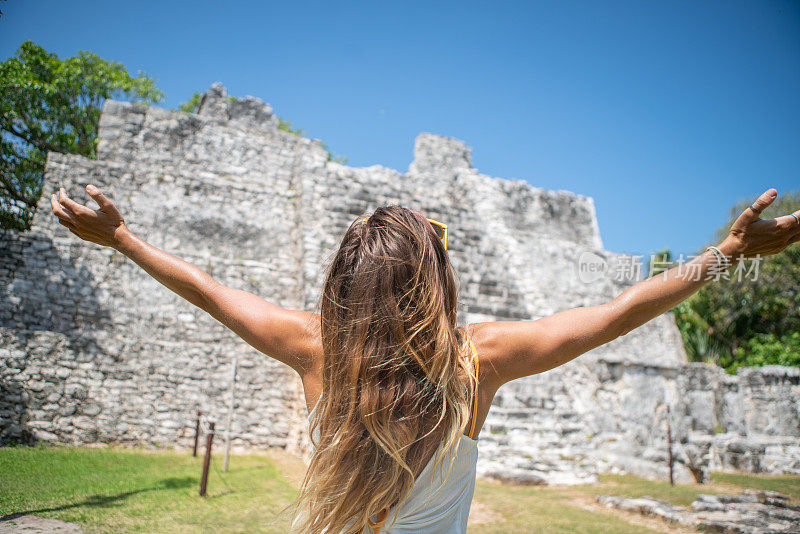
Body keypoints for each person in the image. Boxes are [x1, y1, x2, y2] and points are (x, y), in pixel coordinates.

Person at [50, 185, 800, 534]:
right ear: (435, 280)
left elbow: (210, 292)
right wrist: (728, 254)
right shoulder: (479, 361)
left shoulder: (317, 349)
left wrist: (122, 239)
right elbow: (615, 313)